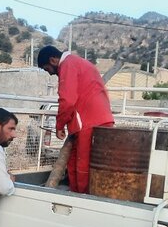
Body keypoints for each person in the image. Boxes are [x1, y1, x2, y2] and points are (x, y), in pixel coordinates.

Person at [37, 45, 114, 193]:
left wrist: (59, 126)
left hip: (88, 121)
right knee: (78, 161)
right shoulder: (81, 62)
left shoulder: (67, 65)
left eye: (48, 69)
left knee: (82, 165)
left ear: (53, 60)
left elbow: (67, 100)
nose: (52, 74)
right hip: (102, 117)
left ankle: (80, 200)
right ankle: (79, 193)